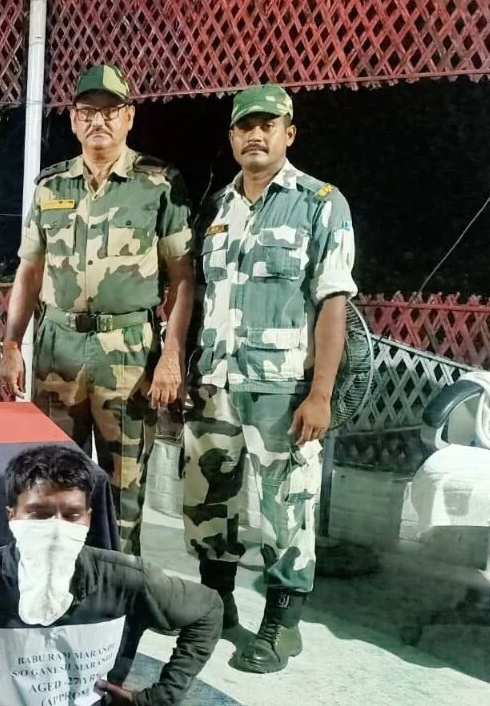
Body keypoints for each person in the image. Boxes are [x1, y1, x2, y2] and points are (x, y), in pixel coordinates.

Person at [183, 84, 357, 673]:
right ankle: (217, 609)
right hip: (215, 384)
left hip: (281, 390)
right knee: (210, 506)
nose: (255, 135)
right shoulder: (218, 208)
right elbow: (201, 297)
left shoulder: (320, 203)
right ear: (232, 136)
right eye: (245, 126)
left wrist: (321, 393)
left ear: (289, 132)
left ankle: (282, 627)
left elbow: (332, 303)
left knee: (287, 509)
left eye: (268, 124)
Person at [0, 64, 195, 556]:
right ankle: (52, 579)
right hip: (57, 349)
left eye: (110, 111)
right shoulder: (52, 186)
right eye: (88, 112)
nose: (98, 121)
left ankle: (116, 584)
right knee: (49, 479)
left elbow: (182, 277)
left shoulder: (159, 183)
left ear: (129, 117)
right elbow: (29, 270)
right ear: (73, 120)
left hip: (126, 352)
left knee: (122, 488)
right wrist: (11, 344)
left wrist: (172, 355)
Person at [0, 444, 221, 706]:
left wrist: (160, 698)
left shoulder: (124, 579)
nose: (55, 529)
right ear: (12, 516)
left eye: (71, 515)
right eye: (39, 514)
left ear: (88, 518)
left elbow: (207, 609)